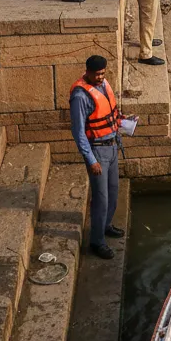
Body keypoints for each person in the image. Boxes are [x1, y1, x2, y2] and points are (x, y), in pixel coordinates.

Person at [69, 55, 124, 259]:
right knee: (100, 198)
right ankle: (97, 241)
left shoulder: (104, 84)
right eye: (97, 74)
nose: (101, 77)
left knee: (113, 191)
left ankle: (106, 225)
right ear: (88, 72)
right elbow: (78, 131)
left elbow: (109, 112)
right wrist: (91, 160)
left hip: (112, 146)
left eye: (103, 73)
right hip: (98, 150)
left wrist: (123, 122)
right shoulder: (80, 96)